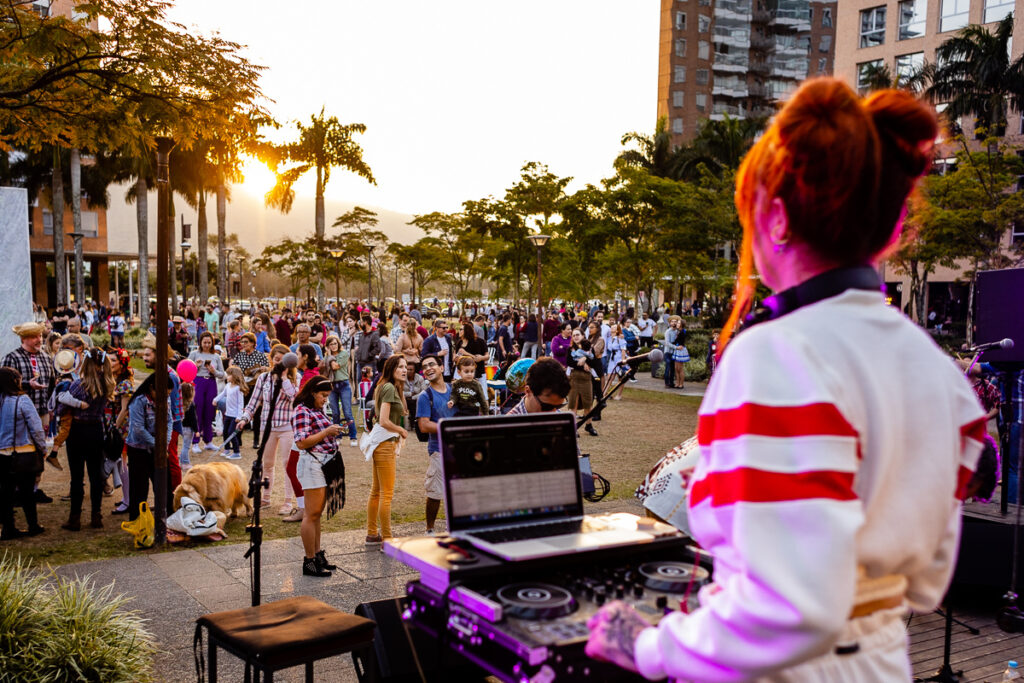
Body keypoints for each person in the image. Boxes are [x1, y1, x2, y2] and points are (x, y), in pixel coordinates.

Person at [585, 78, 986, 681]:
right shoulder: (938, 370)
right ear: (890, 228)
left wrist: (649, 646)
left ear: (773, 217)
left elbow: (792, 610)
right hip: (881, 658)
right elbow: (930, 572)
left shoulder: (775, 355)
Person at [291, 375, 344, 577]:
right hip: (312, 464)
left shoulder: (316, 409)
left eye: (327, 396)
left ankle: (317, 553)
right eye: (323, 395)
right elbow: (302, 442)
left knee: (316, 514)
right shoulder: (302, 411)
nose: (325, 399)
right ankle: (309, 560)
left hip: (323, 463)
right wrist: (326, 432)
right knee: (311, 514)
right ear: (312, 392)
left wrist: (332, 432)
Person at [237, 344, 299, 513]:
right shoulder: (263, 378)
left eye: (282, 360)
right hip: (267, 425)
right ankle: (266, 497)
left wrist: (285, 378)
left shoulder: (295, 378)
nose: (278, 363)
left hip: (287, 425)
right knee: (267, 463)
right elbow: (254, 402)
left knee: (288, 464)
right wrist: (244, 419)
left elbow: (293, 397)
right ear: (271, 359)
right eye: (276, 359)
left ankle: (288, 501)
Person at [61, 348, 115, 531]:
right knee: (95, 476)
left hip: (77, 430)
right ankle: (96, 515)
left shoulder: (78, 386)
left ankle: (74, 518)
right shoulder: (107, 384)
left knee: (77, 477)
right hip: (95, 430)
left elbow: (62, 408)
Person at [363, 355, 408, 545]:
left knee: (376, 491)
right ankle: (387, 539)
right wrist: (401, 430)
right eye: (400, 367)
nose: (405, 370)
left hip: (380, 443)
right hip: (385, 443)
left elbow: (403, 411)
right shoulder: (389, 387)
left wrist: (401, 388)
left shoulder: (389, 386)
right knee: (386, 494)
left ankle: (372, 533)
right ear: (391, 369)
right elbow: (383, 420)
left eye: (406, 366)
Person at [0, 367, 47, 538]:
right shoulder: (22, 401)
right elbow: (36, 428)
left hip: (2, 454)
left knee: (5, 493)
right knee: (27, 493)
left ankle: (8, 528)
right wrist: (43, 448)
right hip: (23, 452)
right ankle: (33, 525)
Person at [124, 374, 172, 522]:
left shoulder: (166, 399)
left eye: (168, 395)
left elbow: (170, 421)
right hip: (138, 449)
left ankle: (167, 518)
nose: (164, 398)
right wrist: (158, 446)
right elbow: (138, 429)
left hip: (159, 448)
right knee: (139, 488)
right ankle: (138, 521)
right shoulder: (138, 401)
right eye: (162, 394)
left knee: (164, 485)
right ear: (151, 388)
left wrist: (165, 442)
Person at [415, 354, 453, 535]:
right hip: (438, 450)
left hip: (458, 448)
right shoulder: (425, 396)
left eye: (432, 365)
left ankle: (453, 527)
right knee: (435, 492)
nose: (428, 368)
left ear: (442, 368)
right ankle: (429, 529)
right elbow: (424, 425)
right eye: (425, 367)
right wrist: (448, 427)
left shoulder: (455, 390)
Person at [188, 332, 225, 452]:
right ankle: (195, 442)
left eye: (209, 342)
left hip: (211, 382)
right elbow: (186, 370)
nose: (207, 345)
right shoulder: (194, 354)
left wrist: (213, 371)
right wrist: (196, 366)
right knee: (197, 410)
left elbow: (222, 374)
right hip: (198, 381)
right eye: (205, 342)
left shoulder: (216, 356)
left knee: (209, 411)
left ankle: (208, 441)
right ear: (200, 342)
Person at [505, 357, 571, 416]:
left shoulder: (560, 420)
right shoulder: (508, 426)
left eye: (559, 406)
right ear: (528, 391)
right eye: (546, 407)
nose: (553, 412)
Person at [323, 336, 358, 447]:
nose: (333, 346)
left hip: (343, 384)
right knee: (335, 413)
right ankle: (337, 436)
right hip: (332, 385)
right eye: (331, 344)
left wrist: (329, 356)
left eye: (335, 343)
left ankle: (353, 436)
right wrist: (327, 356)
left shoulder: (343, 354)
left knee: (347, 412)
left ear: (338, 344)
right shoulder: (326, 356)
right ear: (328, 346)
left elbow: (335, 366)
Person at [566, 329, 599, 436]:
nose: (575, 337)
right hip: (574, 379)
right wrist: (581, 364)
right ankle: (573, 428)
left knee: (588, 404)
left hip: (586, 379)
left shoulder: (590, 348)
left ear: (583, 335)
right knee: (573, 404)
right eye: (574, 335)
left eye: (578, 335)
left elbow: (594, 362)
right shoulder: (570, 349)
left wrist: (585, 358)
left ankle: (588, 425)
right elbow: (569, 362)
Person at [215, 367, 248, 460]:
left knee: (231, 432)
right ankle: (227, 449)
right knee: (225, 431)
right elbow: (222, 394)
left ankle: (237, 452)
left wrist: (239, 416)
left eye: (229, 375)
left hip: (235, 416)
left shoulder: (238, 389)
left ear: (234, 376)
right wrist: (215, 400)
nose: (227, 376)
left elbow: (240, 403)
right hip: (228, 414)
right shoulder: (228, 385)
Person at [354, 315, 381, 380]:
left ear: (365, 322)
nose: (360, 324)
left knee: (369, 383)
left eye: (361, 322)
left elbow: (378, 348)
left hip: (369, 363)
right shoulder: (363, 334)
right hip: (360, 363)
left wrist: (368, 355)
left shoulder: (374, 334)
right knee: (360, 384)